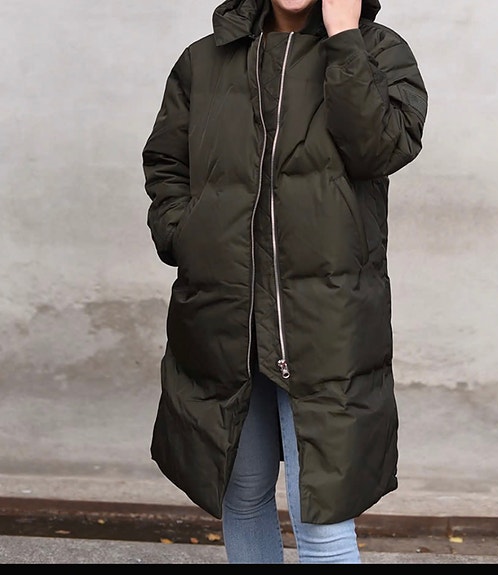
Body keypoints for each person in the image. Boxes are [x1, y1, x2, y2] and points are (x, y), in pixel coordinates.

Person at [142, 0, 427, 564]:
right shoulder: (204, 61)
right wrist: (186, 236)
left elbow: (380, 149)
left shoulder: (377, 50)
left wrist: (343, 36)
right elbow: (167, 163)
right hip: (227, 316)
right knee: (243, 494)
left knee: (321, 516)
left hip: (323, 323)